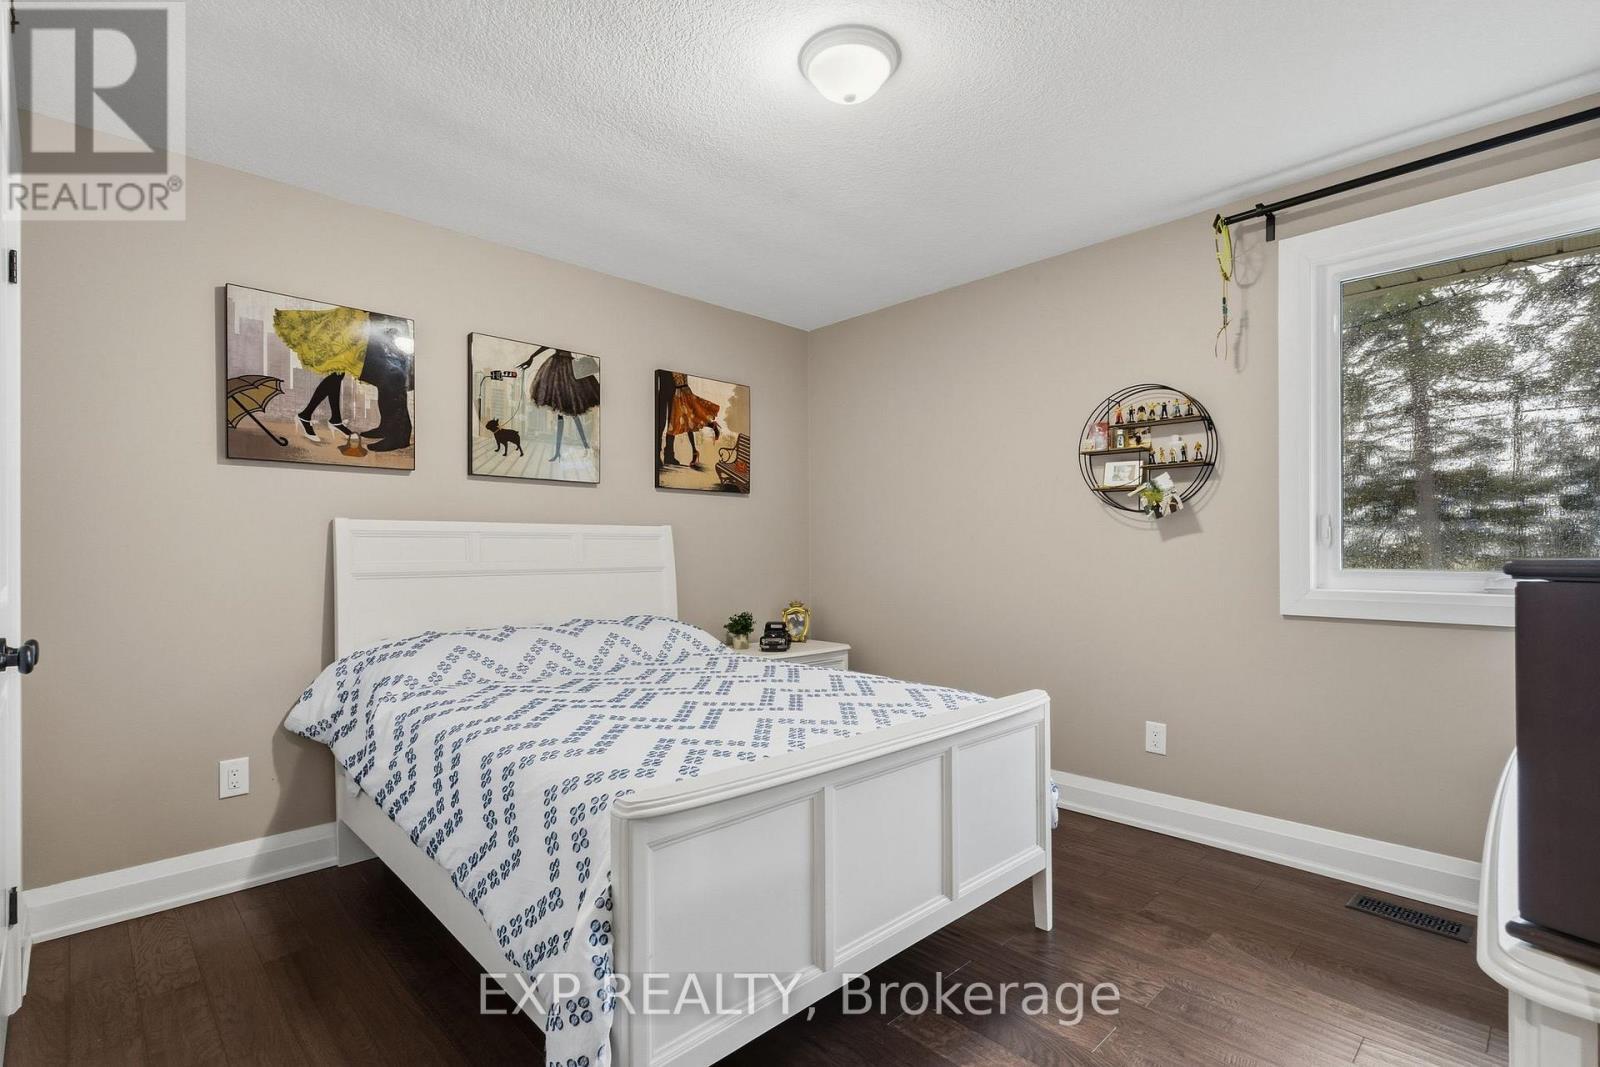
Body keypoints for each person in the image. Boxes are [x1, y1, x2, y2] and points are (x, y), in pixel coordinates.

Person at [518, 347, 599, 461]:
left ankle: (583, 447)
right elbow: (546, 346)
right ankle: (559, 452)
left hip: (566, 368)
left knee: (570, 413)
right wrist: (532, 357)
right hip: (561, 368)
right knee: (563, 414)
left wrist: (532, 357)